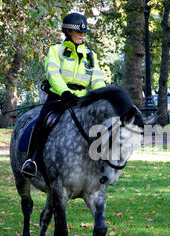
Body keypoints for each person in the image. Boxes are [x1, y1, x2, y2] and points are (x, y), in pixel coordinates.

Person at [21, 12, 106, 178]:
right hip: (59, 98)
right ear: (68, 32)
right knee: (42, 123)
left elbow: (97, 79)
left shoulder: (90, 55)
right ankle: (32, 161)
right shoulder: (56, 50)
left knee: (101, 126)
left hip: (81, 100)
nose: (82, 35)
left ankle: (102, 165)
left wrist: (100, 95)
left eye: (84, 32)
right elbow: (52, 73)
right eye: (79, 32)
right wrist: (65, 92)